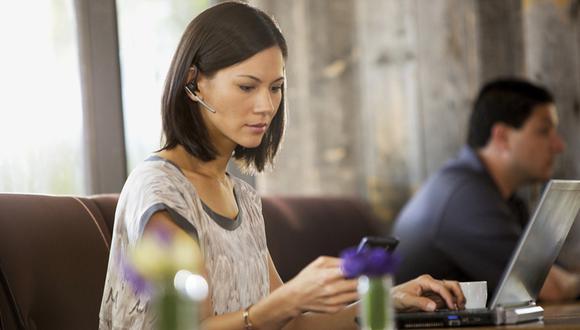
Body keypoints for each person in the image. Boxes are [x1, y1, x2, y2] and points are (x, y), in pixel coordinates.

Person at [99, 2, 465, 329]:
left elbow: (290, 324)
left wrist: (390, 300)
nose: (266, 106)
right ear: (194, 84)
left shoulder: (240, 194)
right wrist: (286, 301)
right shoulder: (161, 189)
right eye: (247, 87)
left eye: (275, 87)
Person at [391, 78, 580, 300]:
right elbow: (549, 288)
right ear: (502, 137)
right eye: (543, 131)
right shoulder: (464, 199)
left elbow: (555, 274)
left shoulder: (500, 196)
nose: (559, 145)